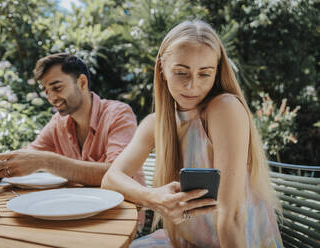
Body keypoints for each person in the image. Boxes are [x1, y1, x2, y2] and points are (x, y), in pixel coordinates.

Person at [101, 20, 283, 248]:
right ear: (162, 70)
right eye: (181, 72)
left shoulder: (224, 108)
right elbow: (110, 179)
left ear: (216, 74)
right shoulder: (155, 123)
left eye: (204, 74)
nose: (192, 85)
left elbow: (232, 216)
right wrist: (152, 197)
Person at [0, 53, 145, 187]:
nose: (52, 98)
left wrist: (46, 161)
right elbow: (29, 156)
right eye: (47, 92)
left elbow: (119, 174)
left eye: (57, 87)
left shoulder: (118, 114)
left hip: (123, 215)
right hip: (79, 208)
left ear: (82, 83)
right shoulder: (58, 123)